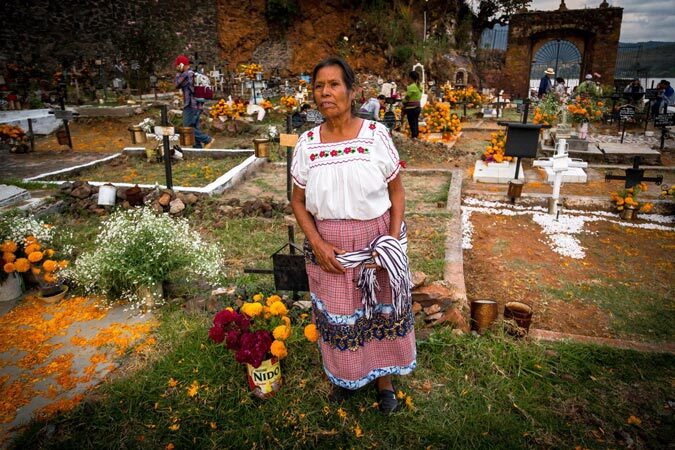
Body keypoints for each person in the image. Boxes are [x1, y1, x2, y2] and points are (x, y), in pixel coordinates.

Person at [290, 57, 415, 415]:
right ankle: (347, 377)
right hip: (329, 246)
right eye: (319, 86)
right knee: (341, 315)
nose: (325, 92)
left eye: (333, 84)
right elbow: (297, 201)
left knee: (380, 312)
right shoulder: (307, 144)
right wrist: (317, 242)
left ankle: (385, 381)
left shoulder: (376, 136)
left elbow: (397, 193)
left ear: (351, 90)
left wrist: (390, 243)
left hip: (375, 241)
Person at [174, 55, 214, 149]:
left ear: (181, 64)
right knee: (194, 127)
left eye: (177, 65)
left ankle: (208, 140)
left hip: (191, 105)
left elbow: (176, 84)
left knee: (187, 128)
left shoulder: (186, 74)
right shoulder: (193, 73)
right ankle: (197, 149)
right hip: (198, 105)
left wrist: (178, 72)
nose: (176, 67)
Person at [404, 71, 422, 139]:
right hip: (418, 107)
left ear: (411, 78)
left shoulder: (411, 87)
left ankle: (414, 136)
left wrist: (403, 101)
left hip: (411, 107)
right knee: (415, 121)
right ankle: (416, 136)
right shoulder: (419, 86)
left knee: (412, 122)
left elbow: (407, 97)